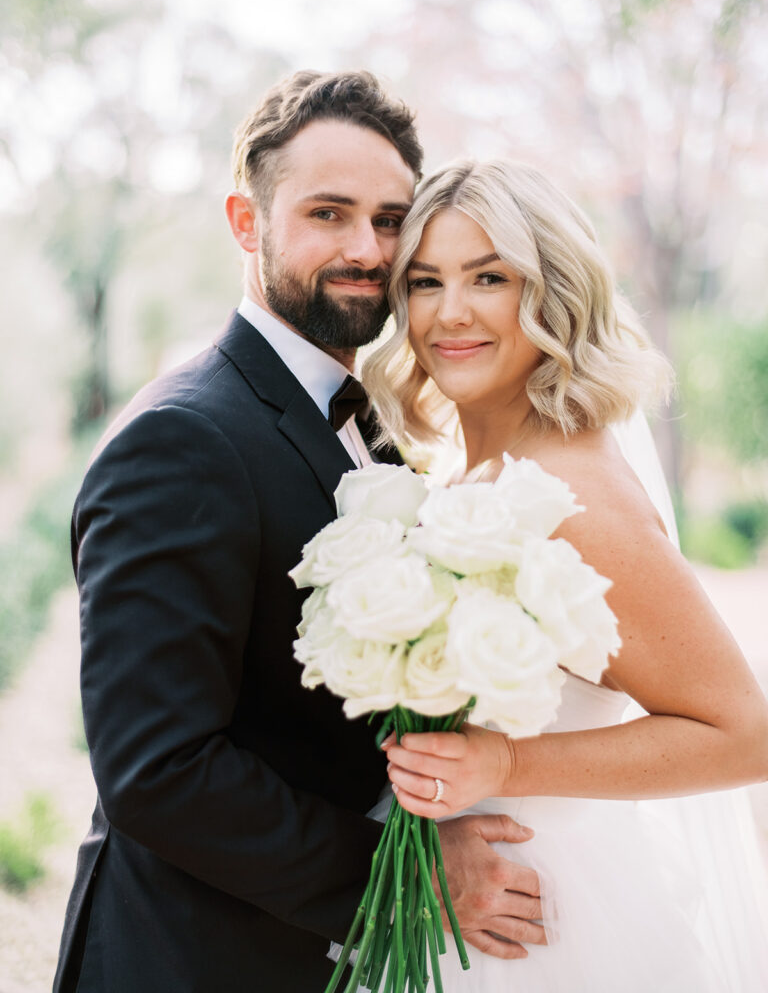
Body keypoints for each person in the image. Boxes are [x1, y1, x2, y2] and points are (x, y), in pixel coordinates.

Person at [52, 74, 549, 993]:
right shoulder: (185, 439)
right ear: (247, 222)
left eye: (391, 219)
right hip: (194, 963)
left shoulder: (368, 428)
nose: (367, 248)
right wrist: (407, 880)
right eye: (329, 213)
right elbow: (158, 769)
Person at [364, 159, 768, 991]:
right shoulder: (471, 476)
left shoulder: (575, 496)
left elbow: (744, 734)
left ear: (552, 292)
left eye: (490, 277)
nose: (451, 312)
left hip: (547, 929)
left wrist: (505, 767)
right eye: (427, 281)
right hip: (456, 906)